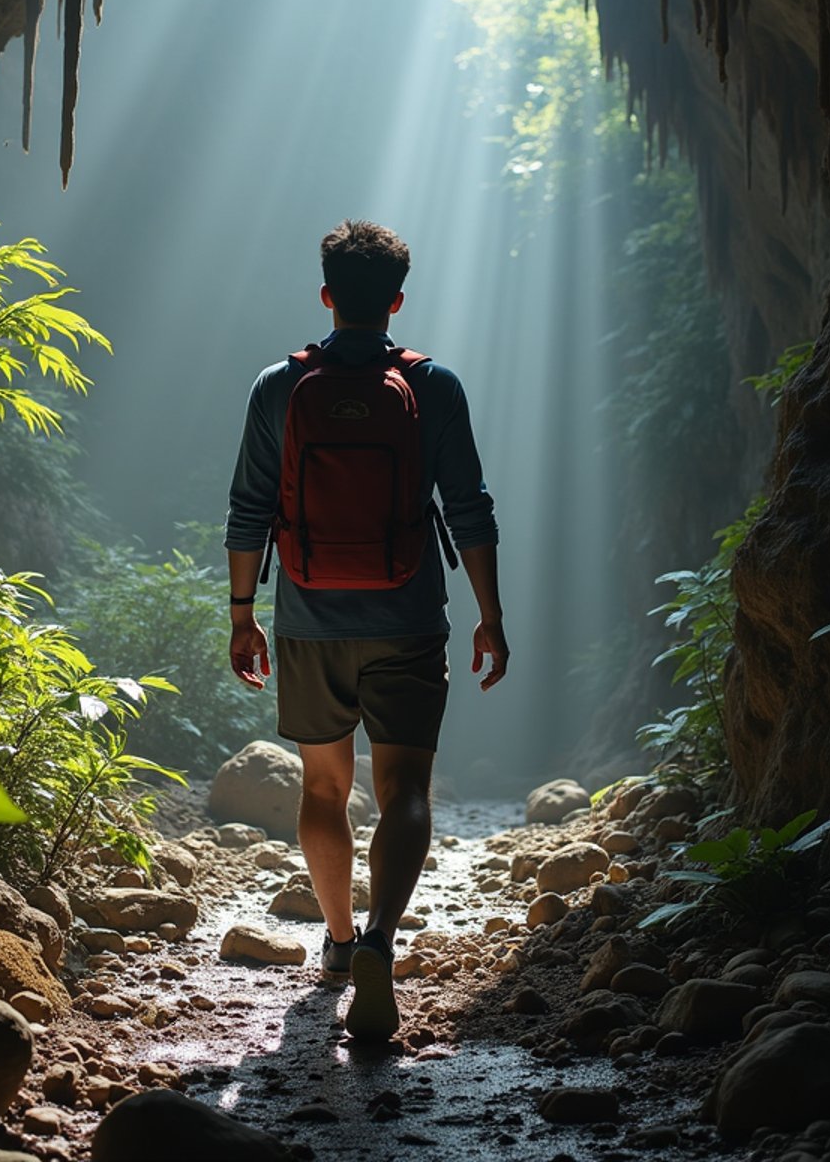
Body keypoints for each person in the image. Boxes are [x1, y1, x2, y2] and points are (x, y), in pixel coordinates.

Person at [224, 218, 509, 1041]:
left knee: (323, 788)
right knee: (406, 792)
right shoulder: (434, 387)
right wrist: (489, 614)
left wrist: (244, 618)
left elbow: (248, 511)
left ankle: (342, 943)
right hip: (409, 619)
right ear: (395, 300)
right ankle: (384, 936)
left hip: (310, 620)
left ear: (325, 296)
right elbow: (469, 508)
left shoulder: (279, 387)